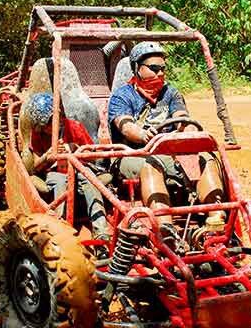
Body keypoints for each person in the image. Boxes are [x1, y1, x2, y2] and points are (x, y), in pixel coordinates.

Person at [108, 42, 224, 243]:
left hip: (169, 152)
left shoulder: (170, 92)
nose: (160, 73)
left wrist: (187, 129)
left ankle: (216, 219)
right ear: (137, 68)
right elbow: (125, 126)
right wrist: (143, 135)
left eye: (163, 69)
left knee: (206, 158)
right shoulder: (122, 95)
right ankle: (165, 227)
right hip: (133, 154)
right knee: (151, 165)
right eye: (154, 68)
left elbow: (181, 117)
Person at [20, 92, 110, 246]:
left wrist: (74, 148)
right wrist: (47, 157)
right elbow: (35, 166)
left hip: (79, 167)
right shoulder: (38, 134)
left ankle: (101, 231)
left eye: (50, 123)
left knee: (90, 182)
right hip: (55, 172)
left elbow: (91, 155)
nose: (49, 128)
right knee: (60, 183)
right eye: (45, 125)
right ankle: (59, 229)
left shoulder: (73, 126)